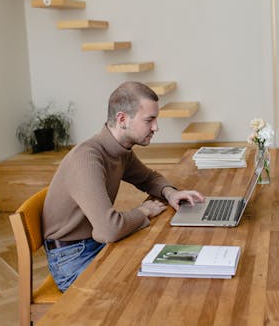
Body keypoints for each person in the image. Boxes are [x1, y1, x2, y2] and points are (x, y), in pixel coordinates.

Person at [42, 81, 204, 292]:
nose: (156, 127)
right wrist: (143, 211)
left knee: (164, 271)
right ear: (122, 119)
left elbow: (148, 178)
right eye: (149, 120)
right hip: (73, 258)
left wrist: (170, 193)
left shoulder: (120, 150)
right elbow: (108, 229)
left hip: (93, 243)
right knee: (145, 291)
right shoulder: (87, 159)